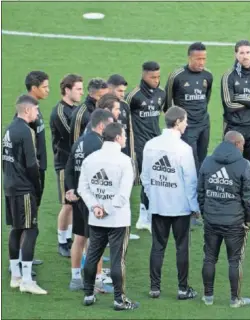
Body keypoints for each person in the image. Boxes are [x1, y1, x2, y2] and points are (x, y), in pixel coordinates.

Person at [77, 122, 138, 310]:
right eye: (124, 135)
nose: (126, 138)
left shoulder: (90, 159)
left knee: (92, 255)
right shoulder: (125, 160)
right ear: (118, 138)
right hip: (117, 219)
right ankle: (119, 300)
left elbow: (82, 188)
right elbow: (122, 195)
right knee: (117, 259)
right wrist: (106, 208)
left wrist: (95, 207)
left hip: (96, 217)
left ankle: (88, 294)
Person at [141, 106, 199, 300]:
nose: (187, 124)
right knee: (182, 247)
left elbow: (146, 176)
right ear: (177, 123)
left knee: (157, 246)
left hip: (158, 205)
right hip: (180, 206)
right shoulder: (184, 148)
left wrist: (153, 195)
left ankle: (154, 287)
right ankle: (183, 289)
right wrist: (194, 207)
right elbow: (190, 181)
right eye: (185, 120)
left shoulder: (151, 144)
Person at [199, 131, 250, 307]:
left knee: (209, 258)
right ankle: (234, 299)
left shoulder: (208, 161)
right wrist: (249, 219)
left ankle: (208, 297)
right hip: (234, 222)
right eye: (243, 145)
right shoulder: (243, 164)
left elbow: (200, 191)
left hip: (211, 220)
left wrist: (205, 212)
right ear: (237, 144)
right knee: (234, 260)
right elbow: (248, 196)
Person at [64, 109, 115, 292]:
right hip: (91, 199)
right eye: (111, 124)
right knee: (96, 240)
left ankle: (76, 279)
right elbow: (98, 176)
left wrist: (70, 189)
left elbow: (69, 168)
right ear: (101, 125)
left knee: (79, 238)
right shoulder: (98, 144)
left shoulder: (80, 141)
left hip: (78, 199)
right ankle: (97, 281)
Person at [221, 40, 250, 222]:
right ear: (236, 55)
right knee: (231, 170)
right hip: (233, 129)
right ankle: (230, 208)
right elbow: (229, 105)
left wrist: (242, 97)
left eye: (248, 52)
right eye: (241, 53)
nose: (245, 56)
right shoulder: (229, 76)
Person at [4, 95, 47, 294]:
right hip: (24, 188)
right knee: (31, 229)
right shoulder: (26, 131)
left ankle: (16, 275)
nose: (37, 114)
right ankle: (27, 281)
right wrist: (37, 187)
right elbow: (32, 164)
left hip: (10, 185)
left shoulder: (9, 129)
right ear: (28, 110)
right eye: (36, 110)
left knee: (16, 228)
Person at [126, 61, 166, 232]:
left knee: (153, 179)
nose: (156, 80)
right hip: (139, 144)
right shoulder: (133, 96)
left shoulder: (162, 93)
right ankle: (143, 216)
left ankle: (145, 216)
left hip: (156, 143)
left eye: (158, 76)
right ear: (144, 75)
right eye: (152, 77)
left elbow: (162, 113)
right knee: (144, 179)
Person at [163, 42, 214, 170]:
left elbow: (206, 99)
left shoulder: (208, 75)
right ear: (190, 58)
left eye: (204, 59)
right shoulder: (176, 76)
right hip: (186, 127)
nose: (202, 62)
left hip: (204, 125)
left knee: (202, 160)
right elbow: (168, 105)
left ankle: (199, 189)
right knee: (190, 161)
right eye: (198, 59)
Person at [51, 74, 84, 257]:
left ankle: (71, 238)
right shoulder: (60, 112)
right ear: (67, 90)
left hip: (76, 163)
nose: (81, 92)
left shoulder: (75, 109)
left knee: (75, 203)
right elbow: (73, 137)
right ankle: (62, 241)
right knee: (68, 204)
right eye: (78, 89)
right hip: (65, 164)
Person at [20, 72, 50, 268]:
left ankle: (25, 256)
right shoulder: (27, 112)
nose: (48, 90)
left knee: (32, 216)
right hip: (31, 173)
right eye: (45, 87)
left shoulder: (34, 109)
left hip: (38, 170)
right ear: (34, 87)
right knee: (27, 220)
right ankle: (22, 261)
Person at [70, 78, 109, 145]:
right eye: (101, 96)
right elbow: (75, 144)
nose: (105, 100)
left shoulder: (107, 109)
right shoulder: (80, 114)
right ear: (91, 94)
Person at [107, 74, 134, 159]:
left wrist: (131, 156)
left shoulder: (125, 105)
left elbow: (130, 132)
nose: (123, 94)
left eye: (124, 91)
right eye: (120, 91)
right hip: (109, 154)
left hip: (124, 153)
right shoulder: (102, 105)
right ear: (110, 89)